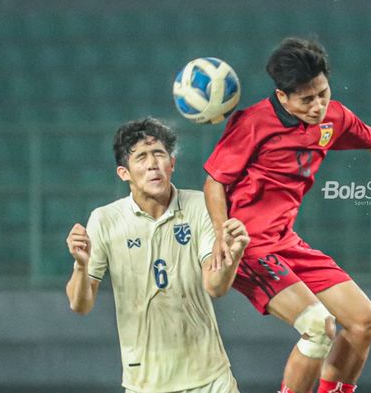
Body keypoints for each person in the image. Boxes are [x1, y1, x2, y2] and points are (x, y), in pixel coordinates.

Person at [203, 37, 371, 393]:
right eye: (306, 99)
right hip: (249, 248)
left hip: (285, 241)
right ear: (283, 97)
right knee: (318, 325)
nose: (317, 106)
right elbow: (214, 183)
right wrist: (223, 233)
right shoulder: (253, 123)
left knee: (365, 323)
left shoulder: (333, 117)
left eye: (322, 93)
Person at [65, 117, 248, 393]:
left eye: (159, 154)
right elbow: (81, 305)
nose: (153, 164)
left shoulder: (199, 205)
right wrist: (81, 266)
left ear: (171, 164)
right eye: (141, 157)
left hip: (211, 379)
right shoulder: (105, 220)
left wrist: (232, 255)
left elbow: (216, 286)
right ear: (123, 173)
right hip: (146, 384)